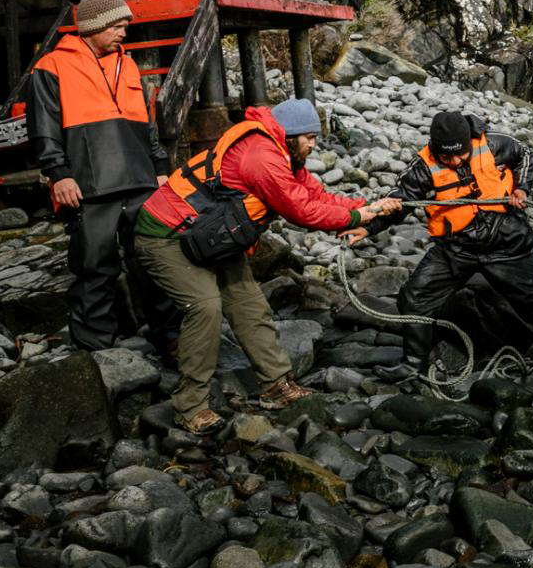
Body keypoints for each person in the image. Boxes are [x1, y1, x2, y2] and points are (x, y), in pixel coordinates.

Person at [132, 98, 400, 435]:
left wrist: (366, 208)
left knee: (248, 304)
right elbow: (301, 211)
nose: (314, 145)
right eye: (310, 138)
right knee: (206, 307)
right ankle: (190, 407)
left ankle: (276, 386)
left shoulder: (284, 154)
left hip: (209, 234)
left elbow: (315, 196)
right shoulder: (261, 157)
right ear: (290, 135)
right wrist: (356, 217)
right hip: (166, 235)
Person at [26, 0, 178, 354]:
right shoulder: (51, 66)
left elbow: (146, 126)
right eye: (116, 25)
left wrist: (160, 168)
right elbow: (42, 128)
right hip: (88, 185)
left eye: (125, 25)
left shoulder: (127, 65)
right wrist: (58, 173)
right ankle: (96, 350)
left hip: (140, 180)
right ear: (93, 26)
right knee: (94, 267)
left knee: (152, 260)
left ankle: (169, 337)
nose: (123, 32)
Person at [364, 110, 533, 383]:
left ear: (468, 141)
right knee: (414, 297)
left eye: (461, 153)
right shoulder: (424, 163)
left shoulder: (496, 143)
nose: (456, 160)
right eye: (447, 157)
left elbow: (525, 156)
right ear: (437, 148)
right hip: (456, 248)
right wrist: (367, 227)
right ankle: (413, 364)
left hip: (506, 242)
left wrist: (522, 188)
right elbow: (402, 200)